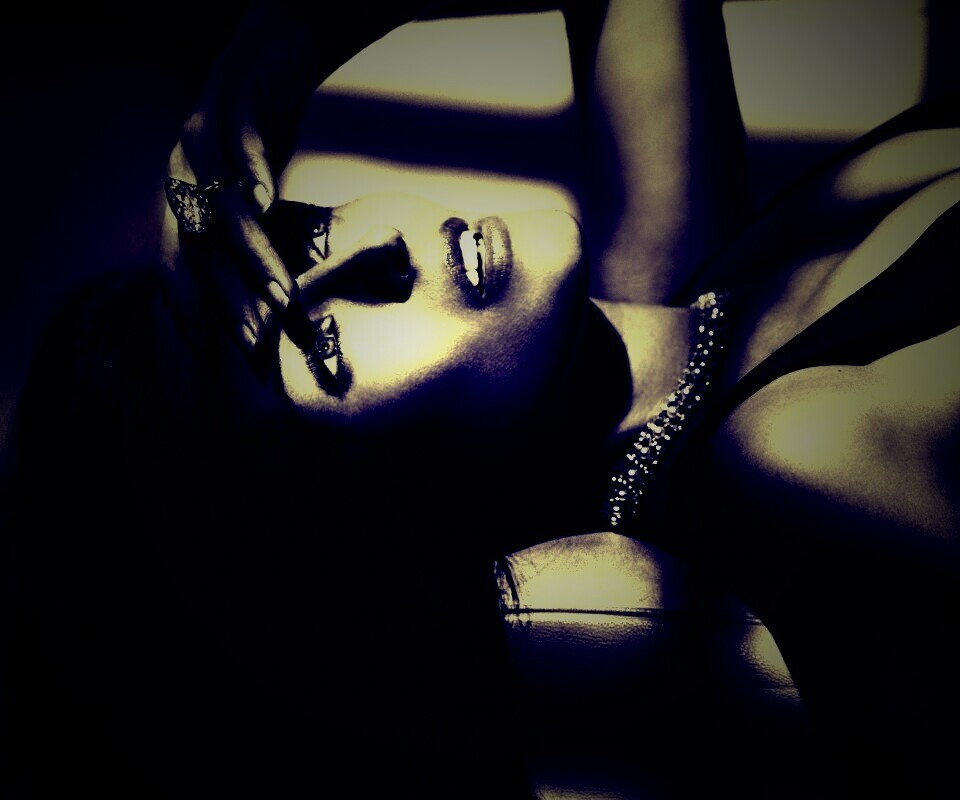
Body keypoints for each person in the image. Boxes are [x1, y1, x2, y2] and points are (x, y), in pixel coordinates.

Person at [3, 1, 958, 798]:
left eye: (305, 239)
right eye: (317, 344)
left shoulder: (684, 307)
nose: (376, 256)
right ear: (381, 542)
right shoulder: (797, 448)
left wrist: (269, 54)